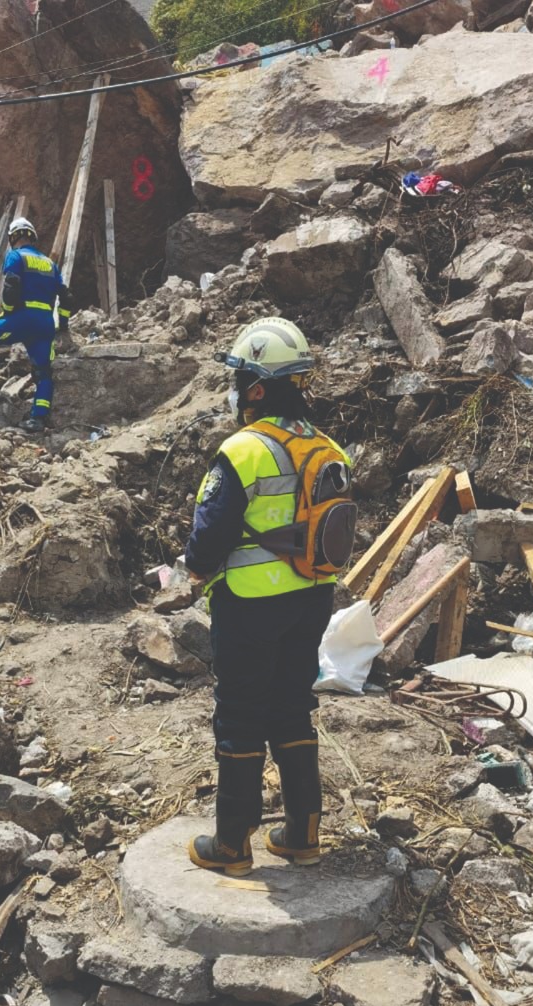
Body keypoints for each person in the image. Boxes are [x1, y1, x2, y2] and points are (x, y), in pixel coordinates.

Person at [184, 317, 355, 877]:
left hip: (249, 602)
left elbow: (207, 540)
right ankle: (302, 833)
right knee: (291, 707)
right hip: (312, 600)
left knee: (239, 715)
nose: (234, 390)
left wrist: (194, 571)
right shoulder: (330, 449)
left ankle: (232, 842)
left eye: (239, 379)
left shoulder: (244, 450)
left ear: (257, 387)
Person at [0, 217, 74, 432]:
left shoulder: (15, 256)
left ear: (13, 237)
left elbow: (11, 286)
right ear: (32, 236)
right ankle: (38, 420)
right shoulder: (50, 263)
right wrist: (64, 325)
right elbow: (66, 296)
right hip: (45, 323)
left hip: (22, 316)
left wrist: (9, 312)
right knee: (43, 372)